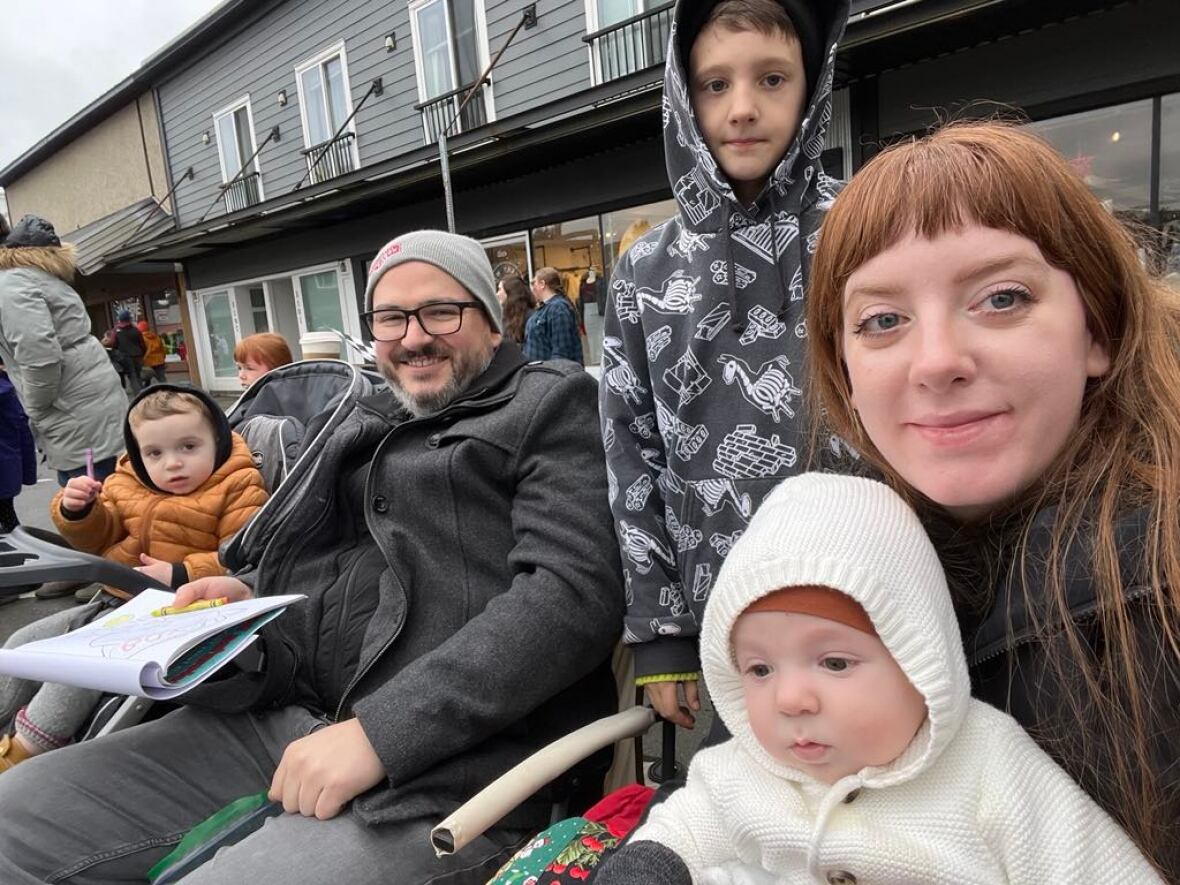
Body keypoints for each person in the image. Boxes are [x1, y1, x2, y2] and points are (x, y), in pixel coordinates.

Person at [0, 230, 624, 884]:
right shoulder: (363, 418)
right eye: (390, 317)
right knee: (14, 817)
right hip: (277, 716)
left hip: (445, 771)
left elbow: (571, 594)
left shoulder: (547, 403)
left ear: (492, 326)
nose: (413, 335)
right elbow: (298, 569)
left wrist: (380, 733)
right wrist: (241, 600)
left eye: (443, 310)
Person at [804, 122, 1180, 879]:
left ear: (1097, 332)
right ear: (844, 369)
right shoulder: (824, 547)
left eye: (1001, 298)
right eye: (883, 320)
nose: (938, 360)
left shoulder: (1160, 585)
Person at [596, 473, 1162, 883]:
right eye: (760, 669)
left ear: (921, 663)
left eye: (835, 662)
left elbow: (1091, 865)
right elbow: (683, 831)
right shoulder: (743, 768)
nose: (790, 698)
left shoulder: (990, 767)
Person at [600, 0, 848, 730]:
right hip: (723, 629)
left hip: (867, 593)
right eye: (714, 84)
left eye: (772, 79)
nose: (742, 108)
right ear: (684, 96)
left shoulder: (865, 226)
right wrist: (661, 633)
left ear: (811, 84)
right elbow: (630, 450)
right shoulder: (645, 269)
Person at [0, 385, 268, 772]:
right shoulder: (127, 481)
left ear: (218, 442)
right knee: (22, 642)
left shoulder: (237, 484)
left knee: (75, 667)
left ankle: (25, 750)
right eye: (155, 453)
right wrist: (79, 510)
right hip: (117, 599)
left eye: (189, 447)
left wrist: (180, 572)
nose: (172, 464)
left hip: (179, 611)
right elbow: (97, 539)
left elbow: (244, 554)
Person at [0, 215, 125, 488]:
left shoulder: (10, 284)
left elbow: (39, 356)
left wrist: (36, 407)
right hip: (86, 405)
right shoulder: (35, 276)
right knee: (112, 494)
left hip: (71, 412)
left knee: (88, 509)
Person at [0, 360, 38, 600]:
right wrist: (27, 471)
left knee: (8, 524)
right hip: (6, 467)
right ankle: (23, 572)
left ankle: (16, 577)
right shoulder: (6, 390)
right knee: (8, 522)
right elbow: (21, 428)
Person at [523, 267, 583, 364]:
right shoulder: (546, 308)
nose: (532, 288)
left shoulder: (558, 308)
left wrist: (554, 376)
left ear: (542, 284)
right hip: (541, 373)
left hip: (553, 375)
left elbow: (562, 352)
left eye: (534, 283)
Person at [112, 309, 146, 394]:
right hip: (138, 356)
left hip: (125, 357)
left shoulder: (117, 330)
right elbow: (142, 344)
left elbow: (113, 343)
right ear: (129, 319)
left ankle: (139, 396)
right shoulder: (136, 330)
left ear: (120, 319)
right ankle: (143, 394)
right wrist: (142, 353)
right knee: (138, 376)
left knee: (132, 377)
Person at [497, 274, 533, 346]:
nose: (497, 293)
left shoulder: (531, 317)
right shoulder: (504, 315)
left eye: (500, 289)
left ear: (509, 292)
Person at [138, 319, 167, 385]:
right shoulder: (156, 337)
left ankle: (146, 393)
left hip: (148, 362)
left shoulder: (141, 339)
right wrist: (163, 358)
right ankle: (169, 392)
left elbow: (142, 351)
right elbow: (162, 349)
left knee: (147, 381)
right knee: (162, 380)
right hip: (159, 361)